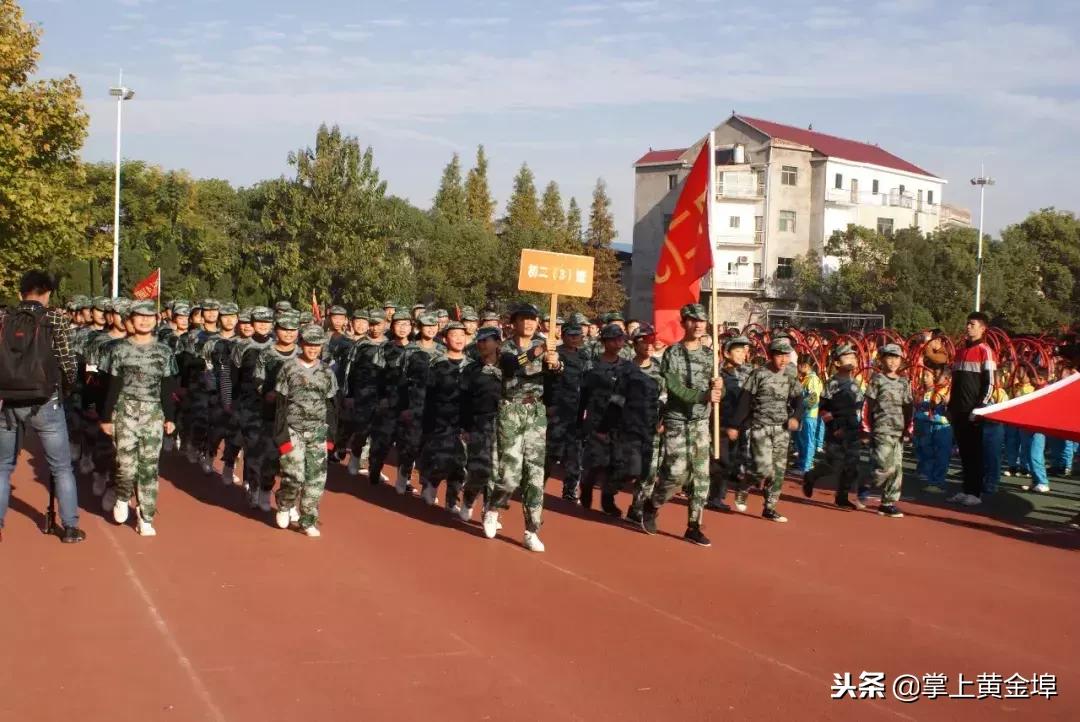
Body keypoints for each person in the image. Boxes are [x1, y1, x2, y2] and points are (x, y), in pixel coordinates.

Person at [0, 270, 86, 543]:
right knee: (61, 467)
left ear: (20, 293)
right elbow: (67, 363)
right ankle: (70, 526)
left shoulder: (3, 318)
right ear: (48, 294)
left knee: (2, 466)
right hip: (46, 401)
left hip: (9, 400)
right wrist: (68, 388)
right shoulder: (54, 319)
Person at [640, 303, 723, 545]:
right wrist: (703, 396)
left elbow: (716, 390)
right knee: (675, 474)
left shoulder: (710, 355)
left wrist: (719, 389)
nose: (698, 325)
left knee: (700, 476)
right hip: (677, 420)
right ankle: (653, 504)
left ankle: (694, 525)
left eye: (702, 321)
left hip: (700, 423)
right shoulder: (672, 353)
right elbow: (674, 388)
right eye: (693, 320)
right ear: (684, 323)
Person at [483, 303, 562, 552]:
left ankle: (532, 529)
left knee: (535, 474)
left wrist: (556, 363)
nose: (528, 323)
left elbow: (557, 376)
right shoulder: (504, 346)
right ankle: (494, 508)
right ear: (514, 323)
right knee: (510, 474)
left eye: (532, 319)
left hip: (535, 413)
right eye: (523, 319)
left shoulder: (545, 345)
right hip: (510, 410)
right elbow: (509, 366)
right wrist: (539, 351)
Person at [99, 301, 179, 535]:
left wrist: (170, 417)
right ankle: (123, 495)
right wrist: (106, 417)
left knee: (149, 468)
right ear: (131, 320)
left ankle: (146, 517)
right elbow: (112, 385)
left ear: (156, 320)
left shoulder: (164, 351)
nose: (144, 320)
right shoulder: (119, 349)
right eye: (139, 316)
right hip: (125, 411)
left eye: (149, 316)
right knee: (125, 464)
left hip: (153, 413)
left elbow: (167, 387)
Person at [729, 337, 804, 523]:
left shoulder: (790, 375)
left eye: (786, 356)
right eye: (780, 356)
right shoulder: (759, 374)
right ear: (771, 356)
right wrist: (734, 425)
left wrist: (796, 417)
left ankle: (770, 507)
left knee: (778, 470)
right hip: (760, 426)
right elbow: (745, 400)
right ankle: (744, 485)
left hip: (781, 428)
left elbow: (799, 400)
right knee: (762, 468)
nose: (783, 360)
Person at [272, 324, 338, 537]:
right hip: (293, 429)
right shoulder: (288, 368)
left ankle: (307, 519)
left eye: (317, 345)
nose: (313, 349)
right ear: (301, 345)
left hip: (318, 431)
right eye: (309, 344)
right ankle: (284, 503)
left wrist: (330, 436)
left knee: (316, 480)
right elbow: (280, 405)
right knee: (294, 475)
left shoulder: (327, 372)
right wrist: (281, 436)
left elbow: (332, 406)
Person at [802, 344, 863, 509]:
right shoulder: (833, 383)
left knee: (852, 464)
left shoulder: (856, 383)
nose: (851, 360)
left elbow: (859, 406)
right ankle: (811, 476)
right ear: (836, 363)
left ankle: (842, 496)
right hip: (837, 427)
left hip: (852, 428)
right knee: (834, 463)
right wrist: (834, 426)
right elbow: (823, 407)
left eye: (853, 357)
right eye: (847, 357)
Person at [579, 323, 631, 516]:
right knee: (595, 460)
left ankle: (608, 499)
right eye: (614, 339)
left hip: (617, 420)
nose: (618, 342)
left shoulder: (626, 366)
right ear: (604, 342)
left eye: (621, 339)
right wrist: (580, 421)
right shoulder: (592, 365)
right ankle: (586, 486)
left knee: (614, 462)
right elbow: (583, 394)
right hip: (596, 419)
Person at [418, 322, 469, 511]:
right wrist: (427, 422)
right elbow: (428, 394)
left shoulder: (471, 365)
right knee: (441, 459)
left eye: (462, 335)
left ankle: (451, 500)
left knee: (461, 462)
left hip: (463, 421)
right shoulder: (437, 363)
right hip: (441, 420)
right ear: (445, 338)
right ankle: (431, 484)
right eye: (454, 335)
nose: (458, 339)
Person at [947, 311, 995, 506]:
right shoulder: (960, 351)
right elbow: (955, 383)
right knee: (964, 452)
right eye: (967, 323)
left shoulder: (985, 350)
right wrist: (950, 406)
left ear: (982, 328)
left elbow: (990, 383)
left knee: (974, 452)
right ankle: (965, 490)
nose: (968, 327)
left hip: (973, 411)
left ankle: (975, 493)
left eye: (972, 324)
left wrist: (980, 407)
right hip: (958, 409)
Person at [861, 344, 914, 518]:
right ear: (882, 360)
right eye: (889, 357)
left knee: (897, 467)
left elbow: (908, 407)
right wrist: (867, 428)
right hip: (881, 429)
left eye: (896, 358)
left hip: (898, 430)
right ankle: (867, 483)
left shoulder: (904, 382)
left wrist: (908, 428)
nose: (893, 361)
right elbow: (868, 405)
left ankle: (887, 503)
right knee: (885, 466)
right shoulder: (877, 379)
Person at [621, 323, 665, 525]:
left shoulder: (659, 369)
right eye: (643, 341)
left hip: (652, 427)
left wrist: (662, 421)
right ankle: (609, 491)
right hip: (629, 427)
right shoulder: (626, 369)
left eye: (651, 341)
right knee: (631, 470)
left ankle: (636, 508)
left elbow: (665, 398)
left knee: (649, 471)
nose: (649, 345)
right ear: (635, 344)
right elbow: (617, 399)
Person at [458, 326, 503, 522]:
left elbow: (525, 362)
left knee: (500, 471)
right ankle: (468, 499)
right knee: (479, 469)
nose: (483, 344)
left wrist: (544, 350)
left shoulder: (508, 365)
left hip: (505, 423)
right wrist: (465, 427)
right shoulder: (471, 369)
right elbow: (464, 400)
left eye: (487, 340)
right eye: (480, 341)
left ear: (498, 343)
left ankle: (491, 510)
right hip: (479, 423)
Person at [706, 335, 751, 511]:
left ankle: (718, 495)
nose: (742, 354)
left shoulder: (747, 373)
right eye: (737, 350)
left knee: (733, 462)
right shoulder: (717, 374)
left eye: (744, 351)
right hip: (720, 424)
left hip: (741, 425)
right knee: (720, 461)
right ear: (726, 353)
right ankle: (714, 497)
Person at [544, 321, 587, 503]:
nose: (574, 338)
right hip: (559, 409)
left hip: (578, 411)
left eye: (577, 335)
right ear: (563, 335)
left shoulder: (585, 356)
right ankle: (537, 484)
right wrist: (548, 404)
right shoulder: (555, 355)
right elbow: (547, 382)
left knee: (574, 453)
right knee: (552, 452)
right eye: (571, 335)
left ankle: (570, 490)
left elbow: (588, 383)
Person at [981, 369, 1010, 495]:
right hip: (983, 427)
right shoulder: (983, 392)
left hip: (995, 429)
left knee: (993, 457)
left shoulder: (1002, 394)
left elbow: (1003, 412)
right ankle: (982, 481)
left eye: (994, 380)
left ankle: (992, 483)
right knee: (983, 456)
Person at [793, 353, 823, 475]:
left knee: (808, 441)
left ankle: (806, 466)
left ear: (804, 366)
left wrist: (800, 406)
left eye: (799, 365)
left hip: (809, 415)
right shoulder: (805, 378)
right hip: (803, 415)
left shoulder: (812, 379)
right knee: (801, 440)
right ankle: (801, 463)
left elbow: (813, 398)